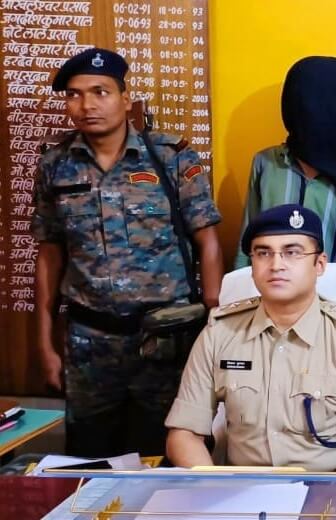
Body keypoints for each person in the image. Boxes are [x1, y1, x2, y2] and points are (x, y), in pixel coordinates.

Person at [32, 48, 223, 457]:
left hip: (167, 342)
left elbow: (207, 241)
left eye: (100, 91)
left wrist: (213, 325)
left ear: (125, 97)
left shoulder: (170, 157)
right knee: (89, 459)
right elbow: (49, 254)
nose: (87, 105)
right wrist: (45, 344)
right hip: (90, 344)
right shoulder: (55, 165)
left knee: (172, 457)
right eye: (74, 94)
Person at [165, 204, 336, 473]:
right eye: (263, 253)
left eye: (292, 252)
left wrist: (333, 493)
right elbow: (183, 434)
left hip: (326, 489)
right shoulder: (219, 334)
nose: (276, 265)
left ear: (319, 264)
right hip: (240, 490)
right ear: (252, 265)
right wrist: (211, 485)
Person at [233, 144, 336, 268]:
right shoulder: (266, 163)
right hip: (272, 280)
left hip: (334, 282)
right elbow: (248, 237)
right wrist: (239, 282)